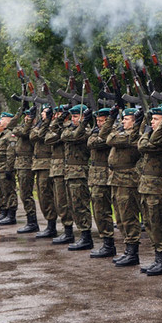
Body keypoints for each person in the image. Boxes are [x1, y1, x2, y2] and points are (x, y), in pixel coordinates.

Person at [101, 107, 142, 267]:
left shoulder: (134, 135)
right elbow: (106, 135)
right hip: (116, 179)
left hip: (127, 180)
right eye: (122, 119)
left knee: (128, 216)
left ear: (135, 121)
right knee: (120, 217)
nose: (123, 122)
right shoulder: (123, 133)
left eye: (126, 119)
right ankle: (127, 250)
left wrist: (129, 129)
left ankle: (132, 252)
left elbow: (110, 139)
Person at [136, 106, 162, 275]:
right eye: (151, 119)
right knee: (150, 224)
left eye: (156, 119)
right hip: (146, 185)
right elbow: (142, 143)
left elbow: (147, 144)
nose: (151, 123)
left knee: (159, 223)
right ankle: (157, 257)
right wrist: (149, 129)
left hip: (158, 187)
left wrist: (161, 126)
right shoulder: (151, 134)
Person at [61, 104, 93, 251]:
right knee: (73, 205)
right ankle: (81, 233)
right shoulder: (69, 130)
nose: (73, 119)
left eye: (76, 116)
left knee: (81, 206)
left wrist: (85, 122)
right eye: (72, 116)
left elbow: (77, 137)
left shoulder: (86, 131)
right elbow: (64, 135)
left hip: (80, 172)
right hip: (69, 173)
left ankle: (86, 236)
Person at [87, 108, 115, 258]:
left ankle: (109, 243)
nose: (98, 123)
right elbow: (91, 142)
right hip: (96, 176)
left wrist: (109, 124)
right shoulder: (96, 131)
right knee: (98, 210)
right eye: (97, 120)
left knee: (103, 211)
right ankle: (106, 242)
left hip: (105, 176)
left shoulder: (113, 131)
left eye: (102, 121)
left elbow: (101, 142)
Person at [45, 106, 74, 244]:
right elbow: (48, 139)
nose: (57, 116)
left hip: (65, 169)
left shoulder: (68, 128)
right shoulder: (56, 128)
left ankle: (69, 231)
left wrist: (60, 121)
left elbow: (60, 136)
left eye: (59, 114)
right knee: (59, 201)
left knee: (65, 202)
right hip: (56, 169)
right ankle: (66, 229)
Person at [31, 105, 58, 238]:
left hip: (47, 164)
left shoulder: (51, 126)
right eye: (42, 112)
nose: (42, 114)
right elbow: (33, 135)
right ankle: (49, 223)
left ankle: (52, 225)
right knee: (42, 195)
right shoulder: (42, 124)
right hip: (39, 165)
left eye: (44, 113)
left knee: (47, 195)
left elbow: (41, 135)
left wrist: (47, 121)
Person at [0, 112, 21, 225]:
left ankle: (11, 215)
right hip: (0, 167)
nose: (0, 121)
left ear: (8, 120)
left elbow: (11, 154)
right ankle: (5, 212)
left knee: (9, 191)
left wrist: (9, 169)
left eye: (3, 119)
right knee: (2, 191)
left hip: (5, 167)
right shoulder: (3, 135)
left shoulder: (10, 135)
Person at [15, 108, 39, 233]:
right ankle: (30, 220)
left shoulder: (33, 130)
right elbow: (12, 127)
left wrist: (30, 121)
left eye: (29, 116)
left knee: (26, 194)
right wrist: (20, 111)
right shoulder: (23, 127)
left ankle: (32, 222)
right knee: (23, 194)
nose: (26, 118)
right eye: (25, 116)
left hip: (27, 164)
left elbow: (25, 132)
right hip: (20, 164)